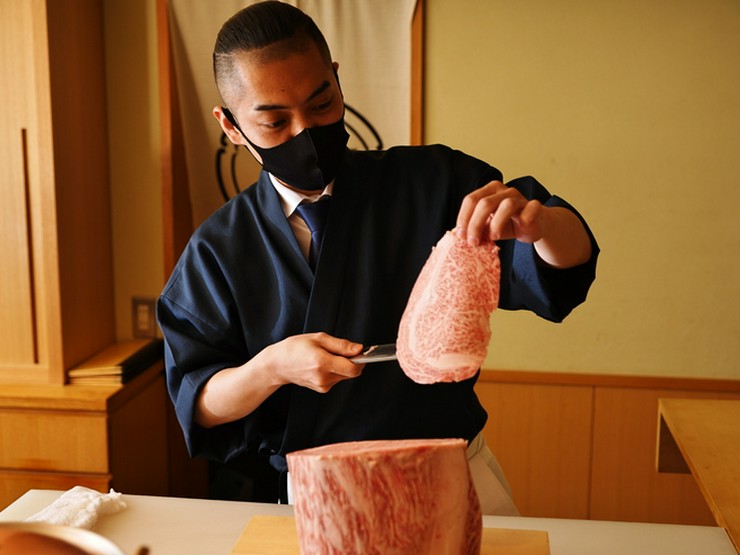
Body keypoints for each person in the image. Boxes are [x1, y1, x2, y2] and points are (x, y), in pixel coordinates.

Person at [157, 0, 598, 515]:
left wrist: (543, 226)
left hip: (452, 477)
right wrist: (272, 367)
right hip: (318, 496)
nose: (305, 132)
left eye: (321, 104)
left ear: (337, 80)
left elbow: (557, 269)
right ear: (231, 126)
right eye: (275, 122)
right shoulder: (218, 248)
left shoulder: (431, 183)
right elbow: (199, 401)